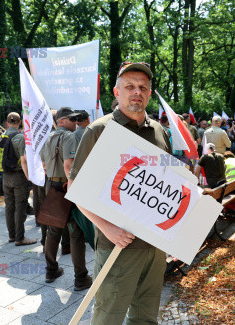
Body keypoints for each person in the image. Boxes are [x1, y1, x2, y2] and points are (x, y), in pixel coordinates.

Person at [68, 62, 171, 324]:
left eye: (143, 87)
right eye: (129, 86)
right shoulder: (99, 130)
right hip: (118, 245)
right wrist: (107, 227)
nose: (137, 91)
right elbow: (76, 191)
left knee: (146, 318)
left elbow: (166, 185)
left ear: (149, 94)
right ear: (116, 91)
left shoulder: (159, 131)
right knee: (108, 317)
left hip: (155, 246)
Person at [40, 107, 91, 289]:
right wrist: (75, 188)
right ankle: (81, 278)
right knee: (76, 233)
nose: (74, 122)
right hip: (66, 186)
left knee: (52, 231)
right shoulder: (68, 137)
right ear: (61, 120)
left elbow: (44, 165)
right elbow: (69, 166)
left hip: (52, 185)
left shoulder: (48, 137)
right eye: (71, 119)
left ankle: (51, 270)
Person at [1, 112, 37, 246]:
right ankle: (20, 238)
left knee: (9, 206)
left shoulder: (2, 136)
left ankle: (11, 235)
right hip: (18, 176)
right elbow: (24, 161)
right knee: (20, 206)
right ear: (20, 122)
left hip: (5, 176)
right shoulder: (20, 137)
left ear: (7, 122)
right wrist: (29, 177)